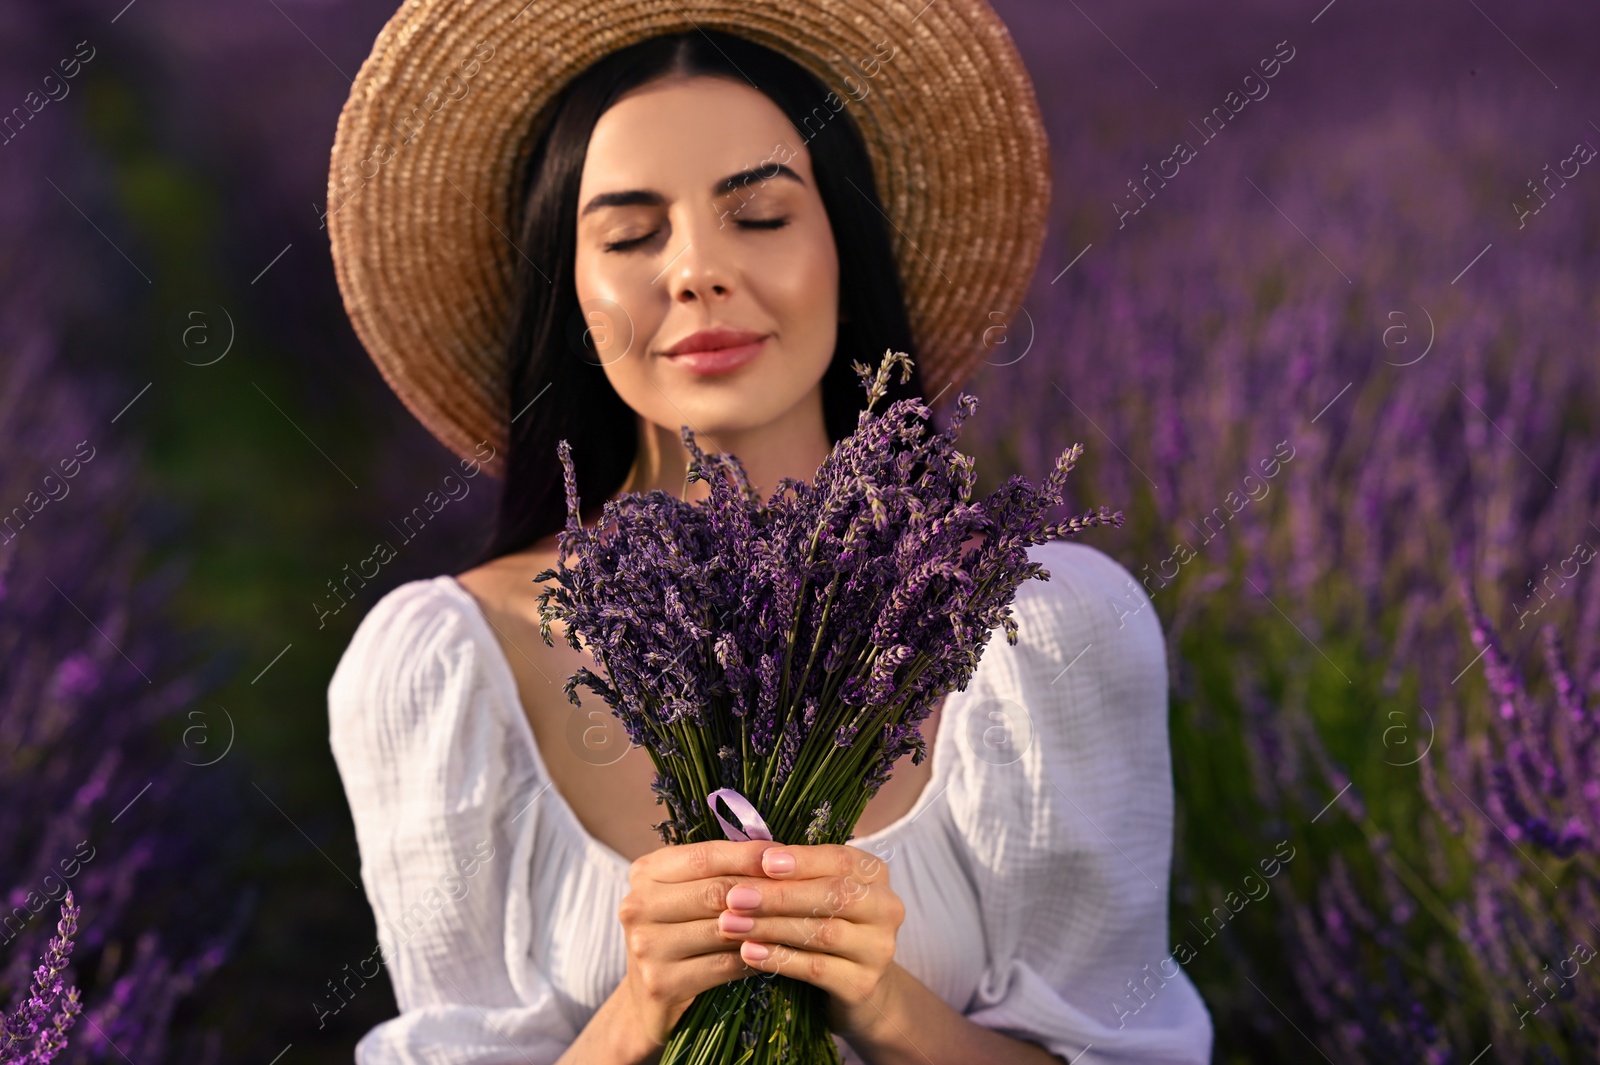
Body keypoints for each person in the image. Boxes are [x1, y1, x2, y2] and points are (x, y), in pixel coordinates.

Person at [325, 3, 1213, 1063]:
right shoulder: (446, 667)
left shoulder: (1043, 635)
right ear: (570, 294)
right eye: (629, 233)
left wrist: (883, 1003)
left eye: (758, 216)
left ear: (845, 248)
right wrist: (636, 1015)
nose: (696, 268)